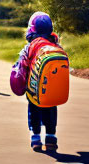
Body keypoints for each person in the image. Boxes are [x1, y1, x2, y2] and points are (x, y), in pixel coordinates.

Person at [10, 12, 61, 152]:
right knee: (51, 109)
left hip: (34, 88)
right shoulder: (56, 46)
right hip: (52, 88)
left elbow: (22, 65)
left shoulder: (30, 47)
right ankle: (51, 138)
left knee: (34, 109)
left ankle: (36, 138)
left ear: (31, 29)